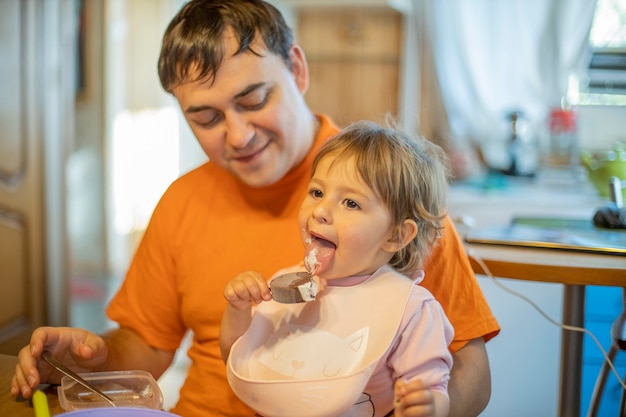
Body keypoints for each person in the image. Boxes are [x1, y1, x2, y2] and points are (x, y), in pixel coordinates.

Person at [10, 1, 500, 416]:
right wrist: (86, 358)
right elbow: (148, 346)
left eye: (254, 99)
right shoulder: (184, 200)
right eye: (206, 118)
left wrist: (432, 405)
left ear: (298, 69)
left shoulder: (385, 197)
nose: (238, 136)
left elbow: (470, 366)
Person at [221, 120, 454, 417]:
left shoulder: (411, 310)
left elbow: (433, 390)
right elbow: (239, 360)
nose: (320, 211)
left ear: (395, 235)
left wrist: (429, 406)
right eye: (317, 193)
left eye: (351, 203)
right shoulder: (284, 285)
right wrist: (238, 309)